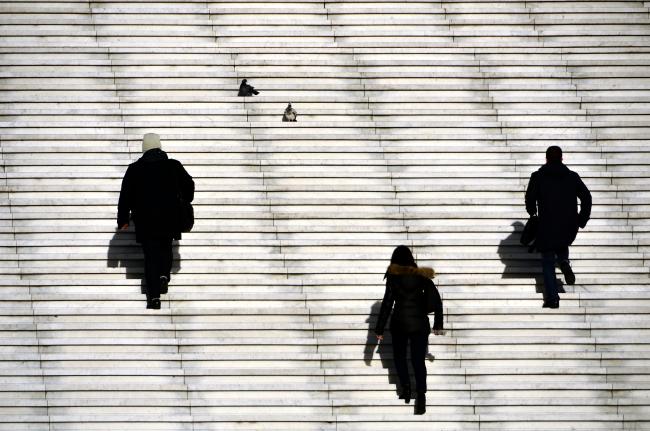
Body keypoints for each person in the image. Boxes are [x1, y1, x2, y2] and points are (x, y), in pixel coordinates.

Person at [117, 133, 194, 309]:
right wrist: (184, 199)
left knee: (151, 257)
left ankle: (154, 298)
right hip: (169, 217)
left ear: (144, 148)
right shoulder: (173, 166)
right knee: (166, 248)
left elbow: (125, 196)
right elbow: (189, 185)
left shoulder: (135, 169)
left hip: (145, 220)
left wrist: (123, 219)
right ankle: (164, 276)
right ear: (160, 147)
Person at [375, 245, 444, 415]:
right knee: (418, 360)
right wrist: (438, 324)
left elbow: (387, 303)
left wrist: (379, 328)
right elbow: (436, 299)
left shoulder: (393, 276)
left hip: (399, 323)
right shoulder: (421, 275)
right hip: (420, 324)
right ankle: (421, 397)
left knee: (399, 357)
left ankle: (405, 388)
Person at [525, 146, 592, 309]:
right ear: (562, 159)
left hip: (547, 224)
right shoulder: (572, 176)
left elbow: (530, 198)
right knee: (561, 242)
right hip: (568, 225)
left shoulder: (538, 176)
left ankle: (553, 299)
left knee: (548, 261)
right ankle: (563, 261)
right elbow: (587, 197)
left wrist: (532, 211)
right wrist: (581, 219)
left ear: (546, 159)